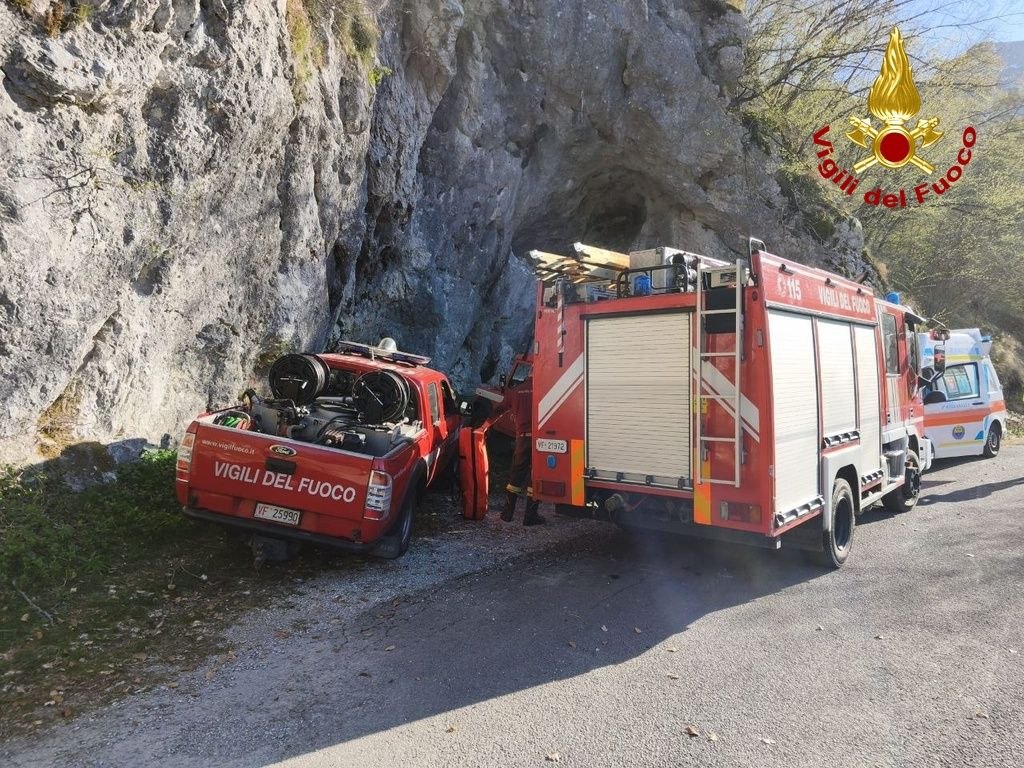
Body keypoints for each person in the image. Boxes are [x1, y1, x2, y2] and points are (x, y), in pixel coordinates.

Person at [500, 386, 545, 526]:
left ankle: (507, 514)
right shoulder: (544, 388)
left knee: (516, 475)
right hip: (540, 440)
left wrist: (483, 427)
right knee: (536, 475)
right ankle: (530, 516)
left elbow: (499, 410)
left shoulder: (516, 391)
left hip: (522, 439)